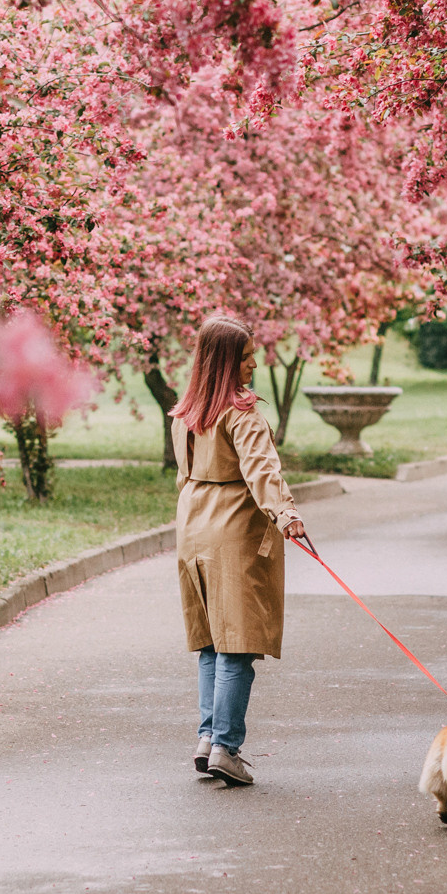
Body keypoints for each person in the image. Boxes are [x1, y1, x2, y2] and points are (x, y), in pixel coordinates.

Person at [169, 316, 307, 785]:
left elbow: (185, 474)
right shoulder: (241, 413)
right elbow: (261, 469)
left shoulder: (186, 411)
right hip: (231, 530)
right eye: (246, 355)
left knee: (211, 642)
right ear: (225, 361)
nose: (254, 363)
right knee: (238, 646)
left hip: (192, 528)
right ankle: (226, 748)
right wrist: (286, 515)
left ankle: (208, 739)